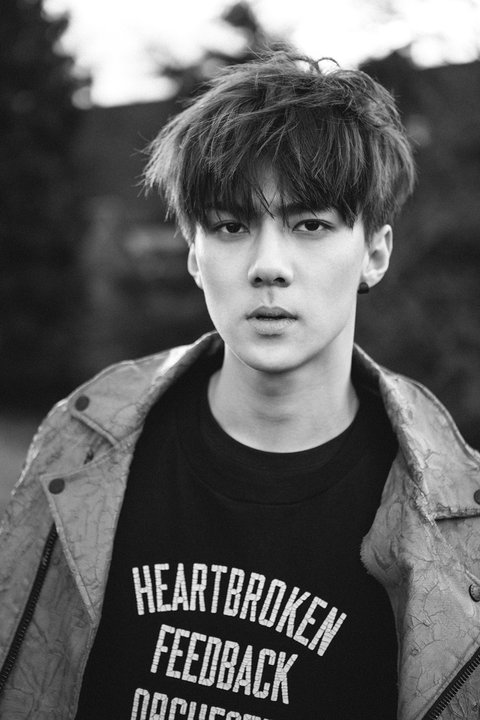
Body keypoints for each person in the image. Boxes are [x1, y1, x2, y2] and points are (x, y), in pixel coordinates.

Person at [1, 51, 480, 720]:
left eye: (310, 225)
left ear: (375, 252)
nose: (268, 266)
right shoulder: (79, 445)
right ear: (195, 255)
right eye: (231, 226)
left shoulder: (459, 525)